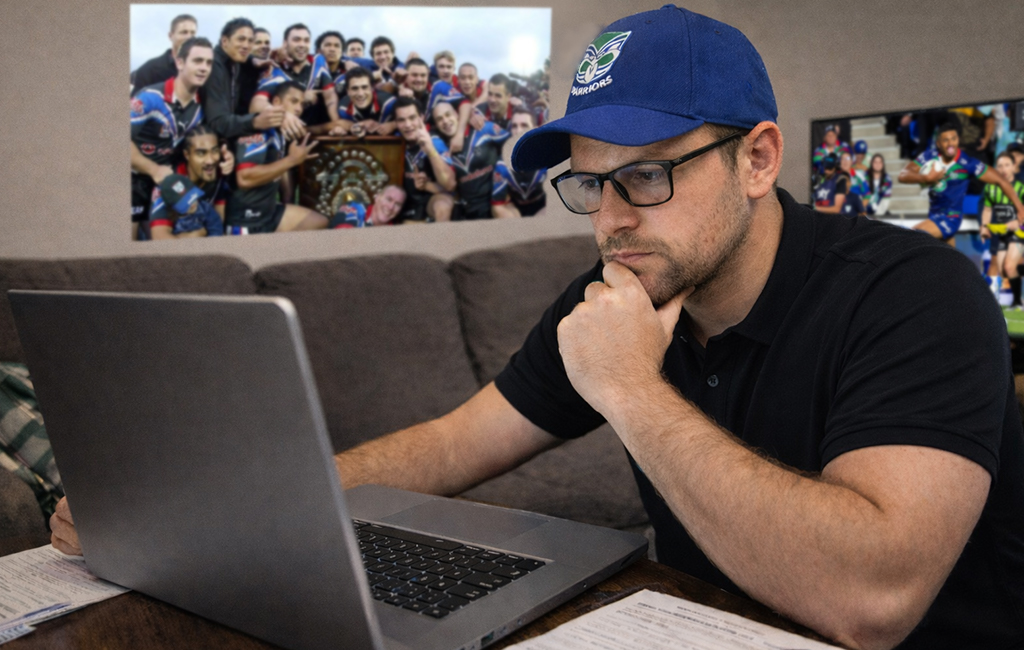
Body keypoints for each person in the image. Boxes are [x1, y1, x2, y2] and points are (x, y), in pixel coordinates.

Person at [52, 6, 1024, 649]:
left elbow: (875, 598)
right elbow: (449, 444)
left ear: (759, 158)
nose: (610, 219)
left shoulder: (917, 292)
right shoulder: (616, 290)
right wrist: (204, 508)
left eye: (645, 174)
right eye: (589, 183)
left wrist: (632, 388)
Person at [130, 37, 212, 240]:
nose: (204, 68)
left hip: (167, 181)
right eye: (197, 61)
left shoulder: (204, 106)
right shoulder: (149, 98)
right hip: (133, 178)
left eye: (209, 63)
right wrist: (153, 169)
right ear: (180, 63)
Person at [225, 81, 328, 234]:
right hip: (247, 220)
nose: (299, 109)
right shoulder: (259, 129)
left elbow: (279, 167)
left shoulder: (280, 132)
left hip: (270, 213)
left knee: (320, 223)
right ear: (276, 102)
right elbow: (244, 178)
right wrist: (292, 160)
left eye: (302, 104)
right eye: (293, 102)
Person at [898, 122, 1024, 243]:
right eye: (945, 140)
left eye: (954, 138)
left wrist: (1020, 208)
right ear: (938, 143)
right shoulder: (929, 156)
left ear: (958, 139)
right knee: (949, 261)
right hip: (933, 216)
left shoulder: (968, 163)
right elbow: (902, 175)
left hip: (951, 217)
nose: (951, 143)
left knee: (912, 237)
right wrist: (925, 179)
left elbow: (1000, 180)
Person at [145, 126, 234, 240]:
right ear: (187, 155)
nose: (210, 160)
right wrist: (194, 236)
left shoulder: (218, 176)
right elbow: (160, 239)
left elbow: (217, 223)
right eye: (201, 153)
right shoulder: (169, 184)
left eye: (215, 151)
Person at [201, 18, 282, 141]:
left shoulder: (236, 60)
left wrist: (254, 61)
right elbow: (217, 122)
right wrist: (254, 121)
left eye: (250, 41)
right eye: (241, 39)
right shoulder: (213, 66)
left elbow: (247, 57)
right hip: (206, 142)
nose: (246, 46)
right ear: (225, 41)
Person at [431, 101, 514, 220]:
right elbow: (448, 185)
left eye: (448, 115)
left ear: (457, 114)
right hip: (467, 212)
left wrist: (507, 183)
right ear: (436, 125)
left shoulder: (482, 128)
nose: (445, 121)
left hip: (498, 205)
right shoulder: (441, 147)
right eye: (439, 119)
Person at [252, 24, 337, 130]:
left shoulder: (319, 61)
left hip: (316, 131)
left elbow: (330, 97)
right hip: (286, 134)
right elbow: (257, 102)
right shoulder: (274, 68)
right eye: (296, 40)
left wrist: (336, 123)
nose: (302, 44)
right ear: (285, 43)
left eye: (306, 40)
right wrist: (282, 115)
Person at [393, 96, 455, 222]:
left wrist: (430, 150)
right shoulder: (393, 141)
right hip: (402, 205)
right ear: (396, 122)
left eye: (412, 118)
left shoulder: (435, 142)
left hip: (430, 203)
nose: (408, 125)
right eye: (401, 120)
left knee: (442, 205)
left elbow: (450, 185)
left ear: (421, 117)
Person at [980, 152, 1024, 302]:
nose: (1003, 169)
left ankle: (1017, 302)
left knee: (1009, 266)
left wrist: (1018, 224)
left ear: (1014, 167)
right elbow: (987, 210)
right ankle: (1017, 301)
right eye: (999, 166)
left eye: (1007, 165)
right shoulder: (990, 189)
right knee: (1004, 271)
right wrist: (984, 227)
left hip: (1020, 232)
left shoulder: (1021, 188)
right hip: (1001, 232)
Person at [311, 66, 395, 137]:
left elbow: (407, 119)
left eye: (364, 87)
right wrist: (343, 130)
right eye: (355, 88)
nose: (360, 93)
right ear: (347, 91)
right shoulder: (343, 108)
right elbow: (341, 126)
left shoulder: (389, 103)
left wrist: (393, 125)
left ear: (372, 88)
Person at [495, 107, 547, 217]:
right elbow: (498, 205)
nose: (518, 131)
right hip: (516, 212)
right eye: (514, 126)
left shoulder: (550, 158)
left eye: (524, 125)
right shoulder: (501, 165)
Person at [131, 14, 197, 95]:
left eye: (193, 33)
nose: (189, 37)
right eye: (184, 32)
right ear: (170, 36)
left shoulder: (202, 70)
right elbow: (135, 103)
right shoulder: (150, 69)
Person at [148, 174, 225, 239]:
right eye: (185, 203)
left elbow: (215, 226)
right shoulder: (172, 217)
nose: (192, 204)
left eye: (192, 198)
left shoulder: (204, 208)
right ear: (173, 207)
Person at [328, 185, 406, 228]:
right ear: (377, 198)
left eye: (397, 204)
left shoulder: (396, 227)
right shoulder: (353, 208)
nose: (391, 207)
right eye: (389, 199)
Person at [863, 153, 891, 217]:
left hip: (879, 213)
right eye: (875, 162)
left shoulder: (887, 180)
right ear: (871, 164)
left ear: (883, 164)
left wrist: (877, 216)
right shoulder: (864, 177)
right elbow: (860, 197)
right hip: (864, 211)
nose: (878, 164)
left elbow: (885, 200)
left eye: (880, 162)